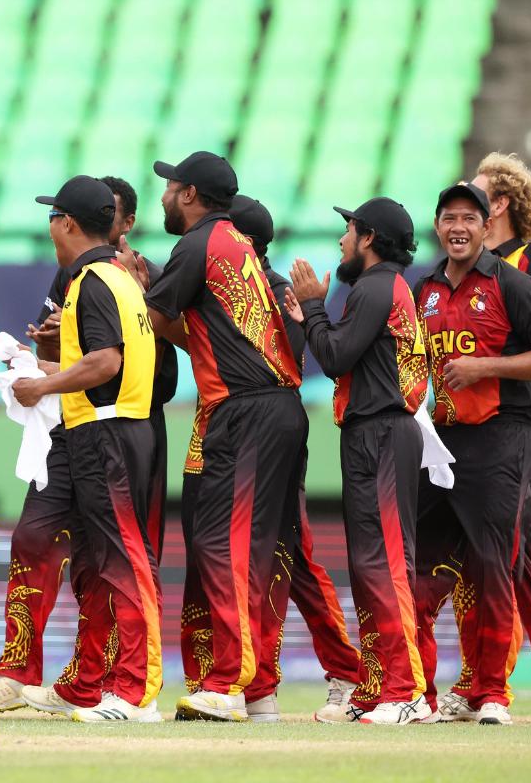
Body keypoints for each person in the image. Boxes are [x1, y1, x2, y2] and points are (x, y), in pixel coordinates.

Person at [0, 176, 170, 713]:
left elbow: (107, 362)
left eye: (53, 216)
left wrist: (43, 383)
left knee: (122, 561)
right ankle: (96, 683)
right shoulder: (118, 277)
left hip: (106, 432)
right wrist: (40, 366)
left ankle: (136, 691)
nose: (50, 226)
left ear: (66, 223)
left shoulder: (92, 280)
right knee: (106, 558)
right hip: (118, 428)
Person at [143, 151, 306, 722]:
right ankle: (257, 688)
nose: (162, 196)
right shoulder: (239, 247)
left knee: (223, 548)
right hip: (273, 408)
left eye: (169, 187)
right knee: (256, 553)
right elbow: (211, 332)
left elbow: (158, 319)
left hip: (245, 412)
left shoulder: (197, 244)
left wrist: (142, 285)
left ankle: (227, 682)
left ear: (189, 195)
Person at [413, 182, 531, 726]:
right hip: (442, 441)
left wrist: (484, 368)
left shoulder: (515, 282)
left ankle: (496, 694)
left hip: (503, 438)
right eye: (448, 217)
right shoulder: (424, 287)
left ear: (485, 226)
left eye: (468, 218)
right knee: (422, 569)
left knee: (504, 566)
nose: (458, 227)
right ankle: (417, 694)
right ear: (437, 225)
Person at [284, 197, 430, 725]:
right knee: (370, 566)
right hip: (373, 432)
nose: (342, 239)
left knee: (385, 564)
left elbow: (336, 356)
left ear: (368, 237)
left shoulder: (374, 285)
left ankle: (405, 691)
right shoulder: (380, 285)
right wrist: (315, 315)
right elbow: (343, 351)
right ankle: (376, 686)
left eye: (348, 229)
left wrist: (315, 306)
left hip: (383, 433)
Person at [221, 196, 361, 722]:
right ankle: (295, 682)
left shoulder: (265, 288)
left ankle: (257, 686)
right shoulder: (268, 285)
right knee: (292, 557)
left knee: (264, 555)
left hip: (263, 428)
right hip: (272, 427)